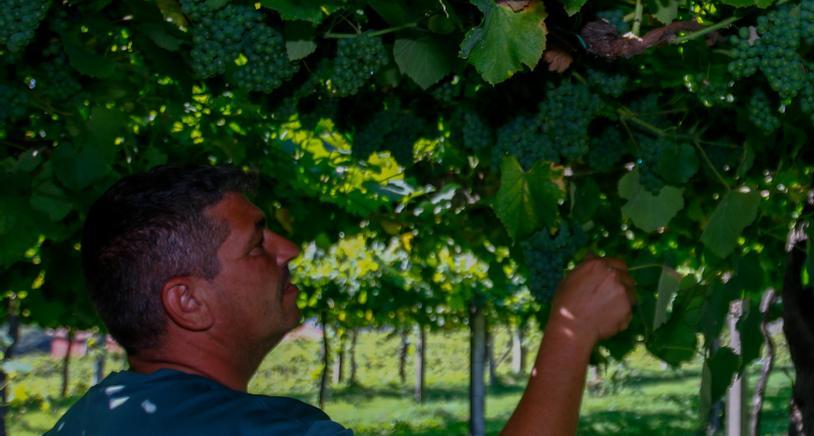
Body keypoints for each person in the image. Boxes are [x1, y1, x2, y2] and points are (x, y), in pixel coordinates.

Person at [49, 165, 636, 435]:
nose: (291, 249)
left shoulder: (95, 417)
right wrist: (571, 332)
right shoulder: (260, 433)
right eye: (257, 244)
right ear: (189, 302)